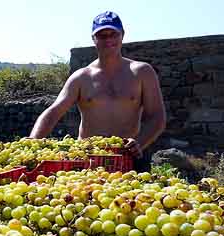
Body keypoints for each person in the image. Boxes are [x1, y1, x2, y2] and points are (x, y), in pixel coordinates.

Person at [29, 11, 166, 170]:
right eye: (102, 35)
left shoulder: (142, 72)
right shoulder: (81, 77)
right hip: (88, 158)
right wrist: (33, 142)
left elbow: (156, 116)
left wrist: (140, 143)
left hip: (130, 157)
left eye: (113, 34)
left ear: (122, 35)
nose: (108, 39)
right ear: (94, 39)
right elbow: (54, 111)